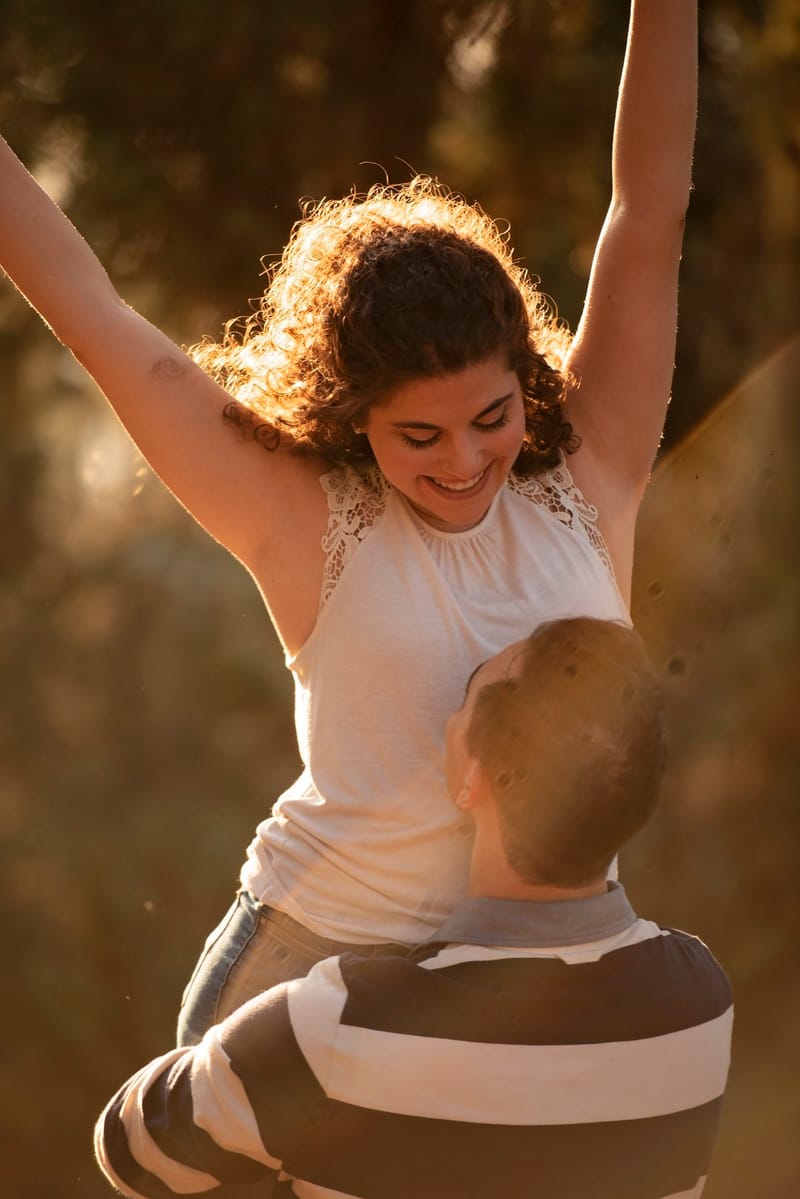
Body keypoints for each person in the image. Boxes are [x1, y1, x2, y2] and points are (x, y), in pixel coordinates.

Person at [0, 0, 699, 1044]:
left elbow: (643, 219)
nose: (462, 461)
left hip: (526, 971)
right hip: (303, 964)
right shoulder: (304, 517)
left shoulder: (586, 479)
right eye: (416, 435)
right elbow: (96, 315)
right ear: (352, 419)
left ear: (524, 382)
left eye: (490, 417)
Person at [94, 617, 733, 1199]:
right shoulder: (701, 1001)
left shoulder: (332, 1030)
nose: (450, 719)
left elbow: (132, 1151)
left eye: (465, 697)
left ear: (474, 777)